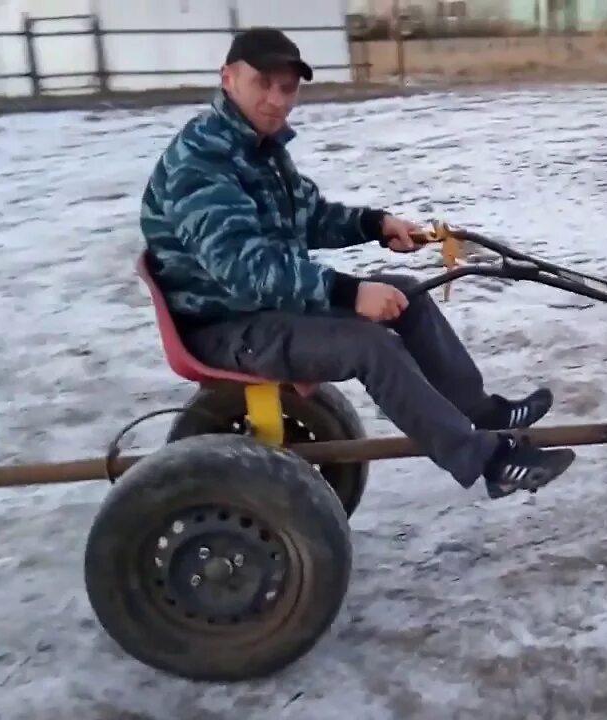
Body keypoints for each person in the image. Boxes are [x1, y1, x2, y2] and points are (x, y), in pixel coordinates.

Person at [138, 27, 576, 499]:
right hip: (225, 325)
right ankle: (488, 462)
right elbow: (245, 269)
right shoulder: (202, 163)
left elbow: (311, 217)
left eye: (286, 88)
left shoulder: (259, 151)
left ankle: (482, 411)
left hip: (260, 308)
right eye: (262, 83)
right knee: (369, 344)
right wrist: (349, 293)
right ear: (228, 78)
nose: (276, 99)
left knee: (406, 293)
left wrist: (376, 225)